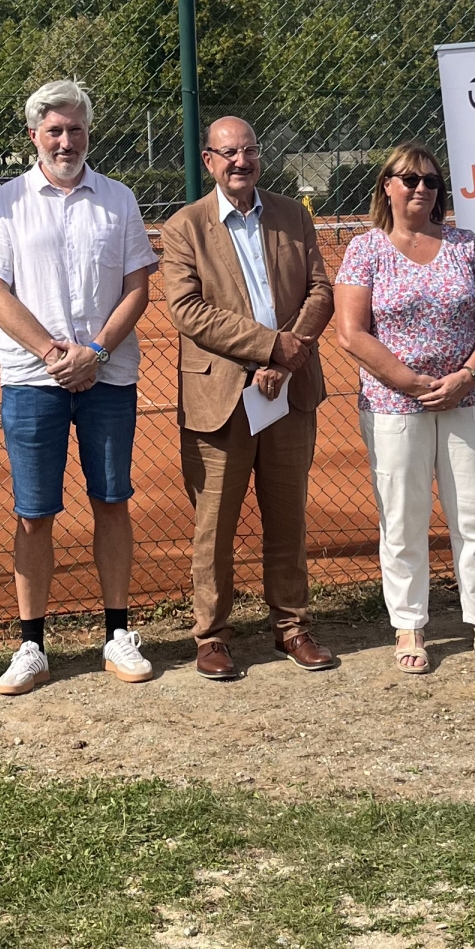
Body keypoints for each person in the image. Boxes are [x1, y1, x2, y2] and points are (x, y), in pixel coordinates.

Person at [0, 80, 158, 694]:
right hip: (34, 380)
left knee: (111, 500)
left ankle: (117, 633)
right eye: (54, 130)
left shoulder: (119, 200)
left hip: (108, 376)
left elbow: (138, 286)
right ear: (34, 137)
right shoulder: (7, 201)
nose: (66, 140)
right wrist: (54, 353)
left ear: (88, 134)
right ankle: (31, 645)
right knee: (33, 514)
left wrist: (96, 351)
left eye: (75, 129)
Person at [159, 116, 337, 680]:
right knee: (214, 525)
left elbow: (319, 290)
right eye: (228, 153)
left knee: (288, 516)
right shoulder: (184, 227)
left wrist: (288, 358)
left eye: (251, 151)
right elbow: (187, 310)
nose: (241, 161)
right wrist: (268, 349)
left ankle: (292, 626)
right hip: (222, 394)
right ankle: (211, 636)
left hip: (289, 390)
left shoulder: (290, 215)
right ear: (208, 160)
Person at [333, 144, 475, 674]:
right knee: (403, 520)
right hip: (393, 404)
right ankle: (409, 626)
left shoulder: (465, 244)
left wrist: (467, 377)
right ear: (386, 185)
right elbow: (350, 331)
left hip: (469, 398)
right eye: (408, 179)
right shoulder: (366, 249)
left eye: (430, 182)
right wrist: (408, 381)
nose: (420, 189)